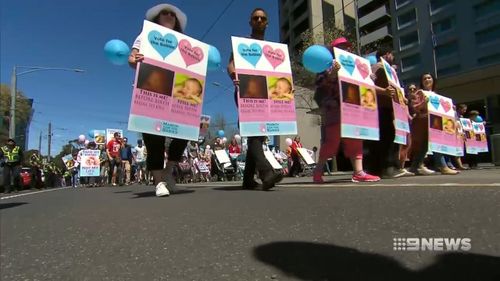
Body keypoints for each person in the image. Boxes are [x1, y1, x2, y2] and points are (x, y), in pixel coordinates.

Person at [129, 3, 191, 195]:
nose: (169, 16)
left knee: (185, 132)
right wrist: (136, 60)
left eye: (173, 14)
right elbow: (132, 59)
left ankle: (167, 172)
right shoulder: (145, 35)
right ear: (157, 17)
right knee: (152, 137)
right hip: (153, 90)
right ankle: (159, 182)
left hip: (178, 94)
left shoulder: (185, 43)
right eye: (165, 13)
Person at [227, 7, 283, 190]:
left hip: (266, 96)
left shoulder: (272, 50)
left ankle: (248, 180)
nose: (259, 21)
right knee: (254, 131)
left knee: (258, 133)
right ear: (250, 22)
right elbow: (231, 64)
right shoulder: (242, 44)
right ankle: (266, 172)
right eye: (256, 18)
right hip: (246, 92)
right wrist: (234, 74)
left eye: (263, 18)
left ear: (267, 23)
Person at [312, 37, 381, 183]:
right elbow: (319, 86)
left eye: (347, 47)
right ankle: (318, 170)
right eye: (341, 47)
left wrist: (370, 78)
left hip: (353, 107)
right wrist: (331, 74)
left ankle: (358, 172)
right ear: (334, 50)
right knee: (331, 141)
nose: (346, 49)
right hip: (335, 109)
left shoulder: (356, 66)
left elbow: (363, 86)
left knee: (355, 138)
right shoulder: (326, 65)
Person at [365, 45, 400, 178]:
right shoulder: (378, 68)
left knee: (387, 137)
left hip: (387, 108)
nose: (393, 57)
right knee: (385, 137)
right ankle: (386, 168)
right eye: (391, 54)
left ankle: (381, 168)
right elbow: (369, 84)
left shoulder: (388, 70)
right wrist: (384, 92)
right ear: (386, 55)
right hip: (379, 108)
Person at [420, 73, 458, 175]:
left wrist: (451, 109)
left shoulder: (437, 96)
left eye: (429, 78)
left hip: (436, 122)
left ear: (433, 80)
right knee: (426, 146)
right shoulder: (420, 93)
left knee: (435, 144)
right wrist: (423, 103)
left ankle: (441, 165)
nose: (427, 80)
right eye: (425, 78)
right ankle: (442, 166)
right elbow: (417, 107)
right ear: (422, 82)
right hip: (424, 122)